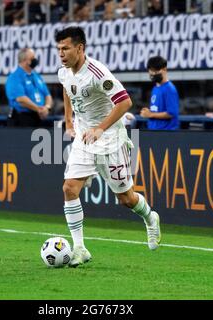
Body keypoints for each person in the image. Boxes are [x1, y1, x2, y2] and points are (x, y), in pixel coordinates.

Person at [55, 26, 161, 268]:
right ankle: (80, 248)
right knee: (69, 188)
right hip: (84, 138)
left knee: (126, 198)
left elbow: (125, 102)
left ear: (80, 48)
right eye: (58, 49)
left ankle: (150, 217)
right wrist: (69, 121)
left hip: (110, 140)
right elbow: (66, 89)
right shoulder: (64, 72)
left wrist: (101, 128)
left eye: (66, 48)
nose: (61, 53)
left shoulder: (97, 72)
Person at [5, 48, 52, 127]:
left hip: (39, 117)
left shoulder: (37, 76)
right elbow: (21, 99)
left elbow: (47, 95)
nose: (35, 60)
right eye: (32, 58)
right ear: (24, 60)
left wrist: (47, 108)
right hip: (22, 119)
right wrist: (39, 109)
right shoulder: (15, 77)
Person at [140, 56, 180, 130]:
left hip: (166, 133)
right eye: (151, 70)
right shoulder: (155, 88)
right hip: (153, 131)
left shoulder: (169, 88)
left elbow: (171, 113)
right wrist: (148, 112)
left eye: (156, 70)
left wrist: (150, 114)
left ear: (164, 69)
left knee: (135, 135)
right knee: (134, 134)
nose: (153, 73)